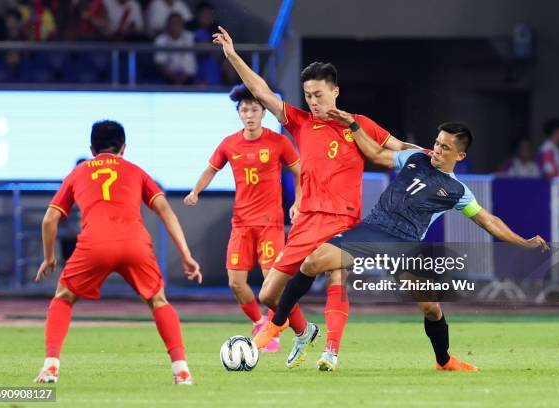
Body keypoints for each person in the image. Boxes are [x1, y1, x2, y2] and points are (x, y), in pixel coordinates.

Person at [255, 118, 550, 371]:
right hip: (372, 230)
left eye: (445, 147)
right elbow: (374, 152)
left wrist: (522, 242)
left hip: (404, 246)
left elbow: (489, 221)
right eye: (437, 142)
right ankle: (277, 323)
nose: (437, 149)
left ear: (460, 155)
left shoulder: (458, 191)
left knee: (432, 309)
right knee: (313, 261)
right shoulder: (414, 158)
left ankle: (444, 360)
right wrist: (354, 124)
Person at [213, 26, 417, 368]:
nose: (313, 100)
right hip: (306, 220)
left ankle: (331, 352)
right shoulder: (300, 122)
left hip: (343, 220)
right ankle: (304, 331)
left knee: (337, 276)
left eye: (319, 94)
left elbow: (398, 149)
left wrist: (432, 155)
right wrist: (233, 56)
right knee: (268, 293)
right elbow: (260, 92)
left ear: (335, 91)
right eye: (308, 94)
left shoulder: (359, 125)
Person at [34, 120, 202, 385]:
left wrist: (49, 257)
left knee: (63, 298)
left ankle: (51, 368)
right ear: (123, 147)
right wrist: (186, 253)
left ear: (92, 149)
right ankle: (181, 370)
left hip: (94, 245)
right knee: (159, 301)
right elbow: (165, 211)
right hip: (133, 243)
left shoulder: (79, 172)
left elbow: (48, 220)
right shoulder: (136, 171)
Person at [184, 84, 301, 352]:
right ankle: (260, 323)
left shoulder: (279, 142)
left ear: (263, 113)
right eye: (245, 109)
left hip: (270, 223)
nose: (249, 114)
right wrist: (195, 191)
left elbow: (299, 171)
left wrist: (298, 201)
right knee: (236, 283)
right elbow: (210, 169)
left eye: (255, 109)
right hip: (241, 224)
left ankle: (275, 332)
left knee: (272, 284)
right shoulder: (229, 144)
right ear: (239, 114)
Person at [153, 12, 196, 85]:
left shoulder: (190, 36)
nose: (175, 26)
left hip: (190, 78)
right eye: (172, 23)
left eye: (178, 23)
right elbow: (160, 63)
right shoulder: (160, 40)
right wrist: (173, 76)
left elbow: (204, 46)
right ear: (167, 25)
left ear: (182, 24)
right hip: (168, 78)